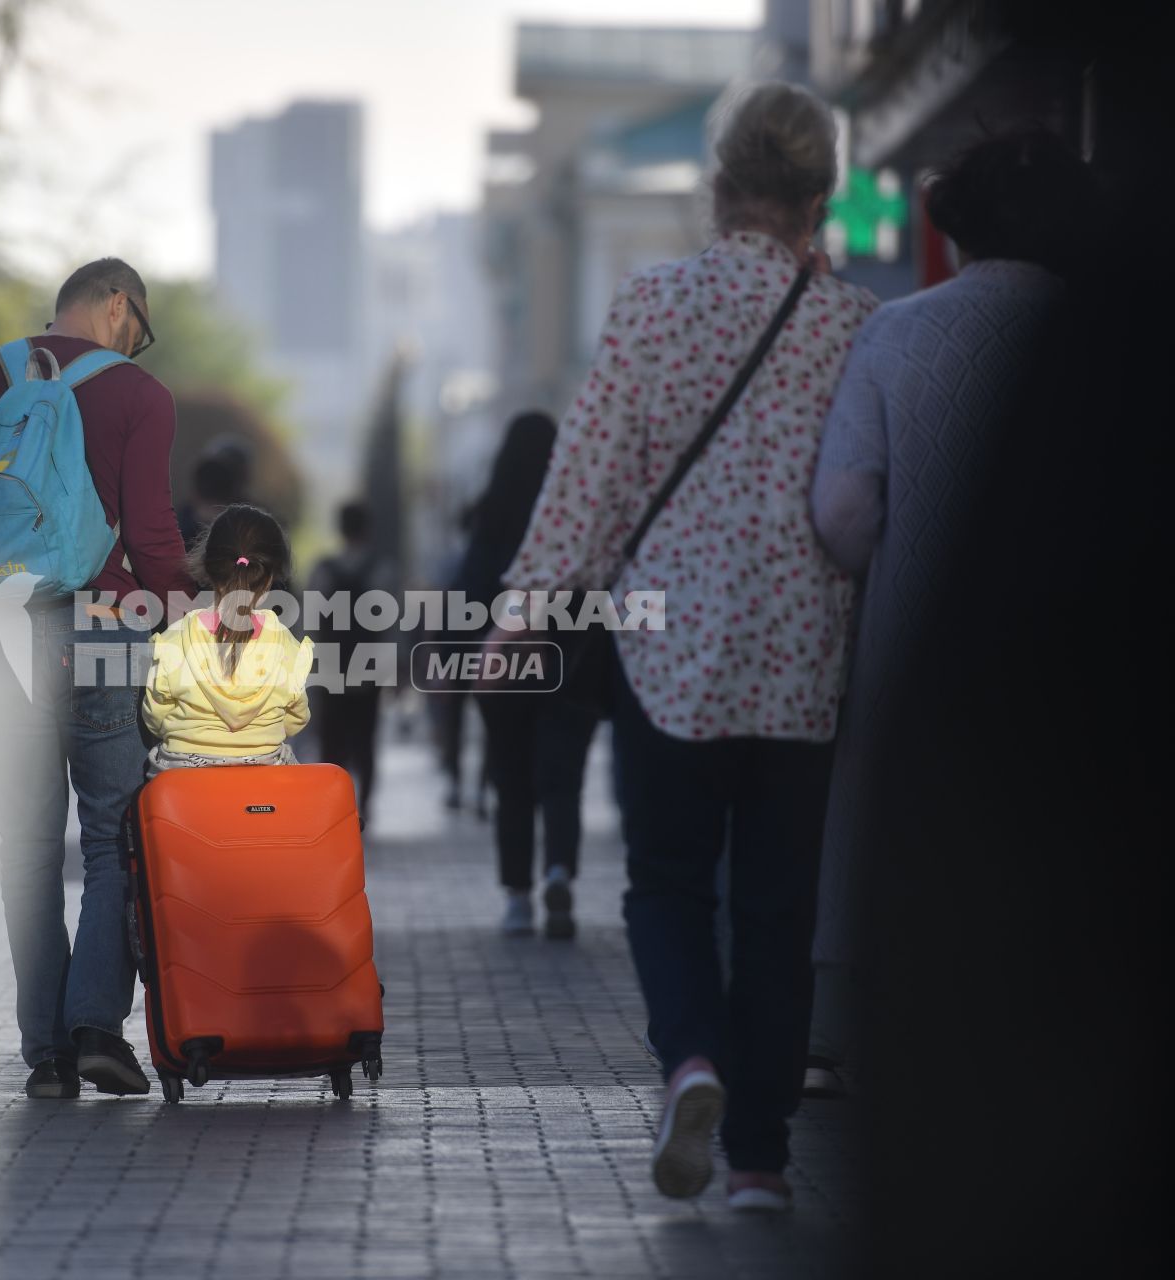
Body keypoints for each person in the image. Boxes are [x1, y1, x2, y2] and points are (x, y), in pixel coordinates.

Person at [502, 82, 878, 1211]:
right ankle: (760, 1158)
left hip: (667, 656)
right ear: (822, 198)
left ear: (719, 188)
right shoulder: (855, 324)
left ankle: (692, 1063)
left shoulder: (652, 303)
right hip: (803, 657)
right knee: (776, 907)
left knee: (665, 884)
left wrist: (522, 607)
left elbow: (590, 479)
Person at [806, 127, 1095, 1098]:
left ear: (958, 224)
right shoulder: (1113, 335)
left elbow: (843, 513)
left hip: (918, 642)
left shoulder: (893, 330)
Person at [0, 258, 191, 1102]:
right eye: (139, 329)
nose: (137, 347)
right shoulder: (138, 398)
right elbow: (151, 532)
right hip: (104, 626)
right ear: (117, 305)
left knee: (29, 845)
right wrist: (186, 616)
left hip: (2, 628)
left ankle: (44, 1052)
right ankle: (93, 1028)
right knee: (115, 834)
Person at [457, 411, 600, 940]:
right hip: (571, 664)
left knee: (512, 782)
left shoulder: (491, 516)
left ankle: (518, 899)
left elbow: (469, 593)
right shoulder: (573, 516)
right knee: (562, 780)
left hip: (505, 669)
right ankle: (559, 870)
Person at [143, 504, 312, 776]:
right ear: (269, 578)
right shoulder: (286, 646)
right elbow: (296, 719)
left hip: (186, 789)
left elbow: (155, 716)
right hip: (263, 785)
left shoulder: (174, 640)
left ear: (209, 567)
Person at [306, 501, 387, 820]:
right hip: (370, 670)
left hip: (332, 669)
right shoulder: (382, 569)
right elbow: (392, 626)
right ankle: (364, 806)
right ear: (366, 529)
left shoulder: (323, 569)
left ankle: (336, 805)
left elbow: (311, 623)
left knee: (332, 740)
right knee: (366, 739)